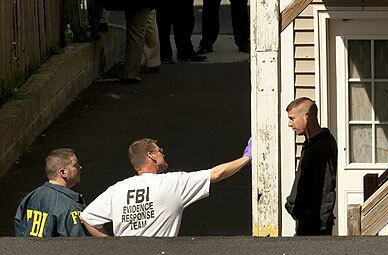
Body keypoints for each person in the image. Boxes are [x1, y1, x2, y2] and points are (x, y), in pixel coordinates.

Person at [80, 137, 252, 237]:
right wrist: (247, 158)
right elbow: (216, 174)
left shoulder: (117, 190)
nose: (163, 153)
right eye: (159, 150)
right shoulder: (172, 183)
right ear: (151, 156)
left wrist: (112, 246)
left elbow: (87, 217)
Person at [285, 98, 337, 236]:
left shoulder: (322, 146)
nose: (290, 124)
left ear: (306, 116)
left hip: (315, 226)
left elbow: (327, 187)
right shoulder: (310, 144)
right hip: (305, 221)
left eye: (292, 118)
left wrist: (321, 225)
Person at [14, 148, 87, 237]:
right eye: (75, 165)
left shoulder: (30, 198)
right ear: (63, 172)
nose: (80, 167)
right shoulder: (70, 207)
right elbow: (79, 244)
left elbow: (19, 230)